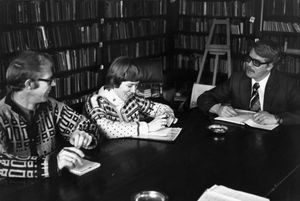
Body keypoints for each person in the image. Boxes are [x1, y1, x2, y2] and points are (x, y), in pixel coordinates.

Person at [0, 51, 100, 178]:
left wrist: (84, 135)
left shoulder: (52, 106)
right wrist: (53, 164)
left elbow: (89, 126)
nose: (54, 84)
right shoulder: (1, 115)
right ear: (29, 84)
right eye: (49, 80)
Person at [197, 39, 300, 125]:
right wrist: (217, 109)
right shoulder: (237, 79)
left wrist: (277, 118)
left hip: (274, 140)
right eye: (248, 59)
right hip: (241, 136)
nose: (248, 64)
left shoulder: (288, 85)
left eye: (256, 62)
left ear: (270, 66)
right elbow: (204, 98)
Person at [85, 56, 177, 139]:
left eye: (136, 85)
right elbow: (105, 129)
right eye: (129, 86)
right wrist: (148, 127)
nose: (133, 90)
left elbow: (158, 107)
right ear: (114, 81)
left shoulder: (131, 98)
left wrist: (166, 115)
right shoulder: (95, 100)